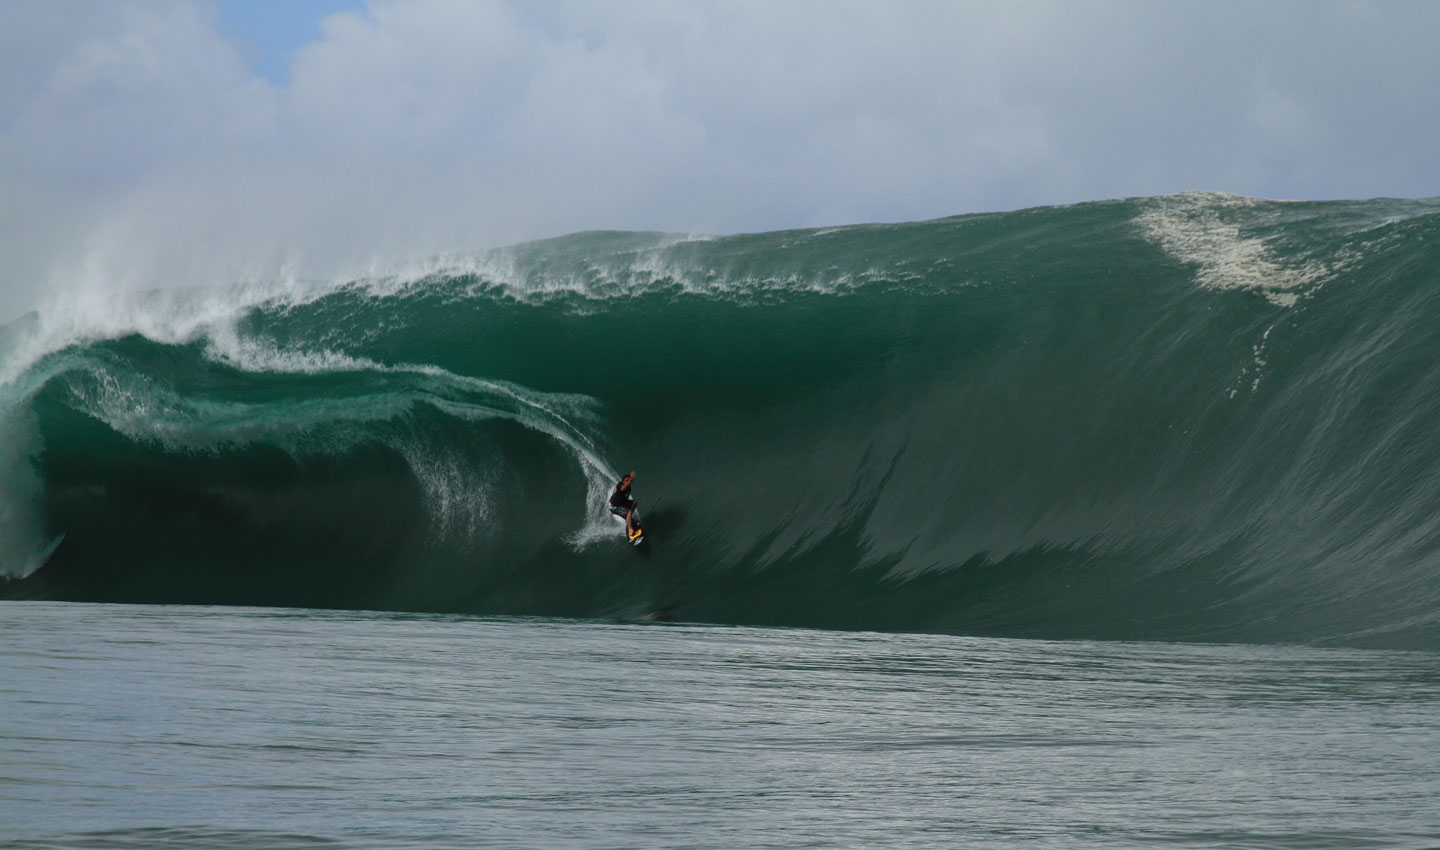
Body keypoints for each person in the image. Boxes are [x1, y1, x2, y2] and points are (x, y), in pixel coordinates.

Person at [609, 471, 640, 538]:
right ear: (623, 481)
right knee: (628, 513)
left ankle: (629, 519)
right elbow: (623, 488)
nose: (628, 481)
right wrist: (631, 479)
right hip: (614, 507)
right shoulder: (620, 485)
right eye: (626, 480)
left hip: (621, 503)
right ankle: (630, 531)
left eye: (629, 480)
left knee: (634, 502)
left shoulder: (628, 488)